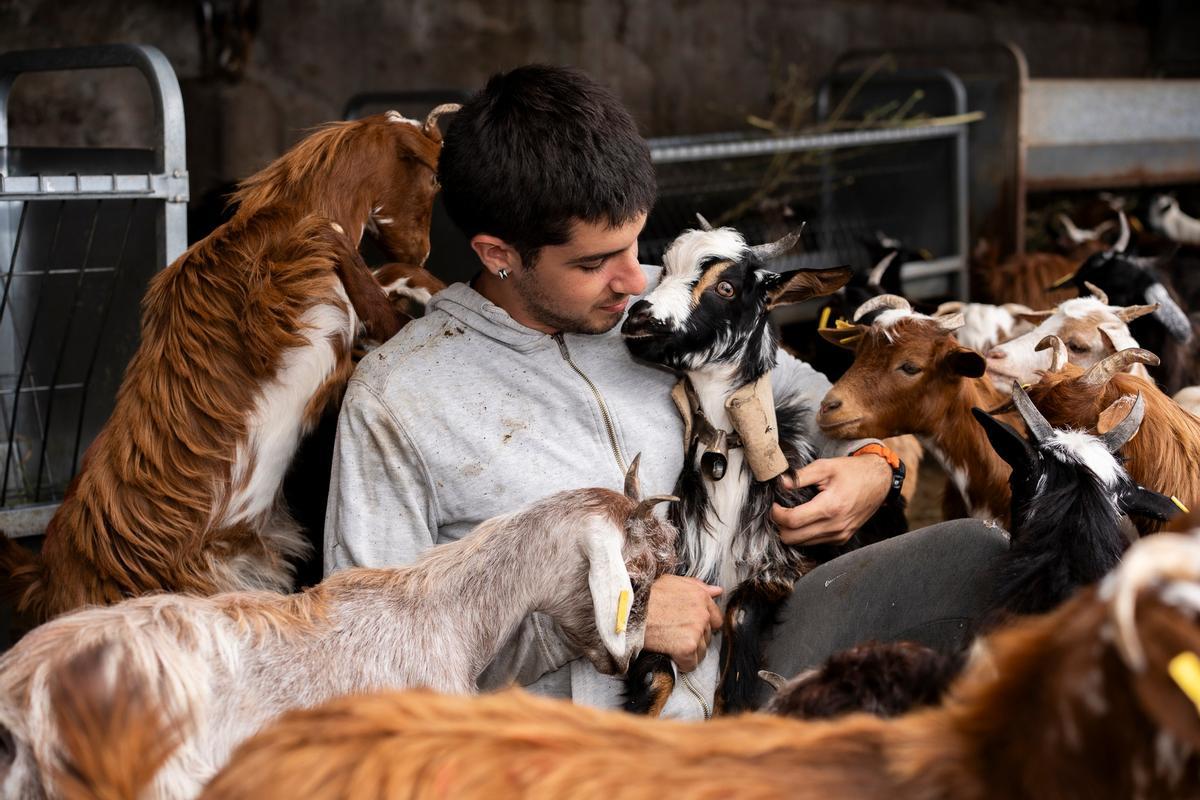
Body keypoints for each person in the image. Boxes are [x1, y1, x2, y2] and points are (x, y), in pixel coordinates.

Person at [324, 64, 1006, 718]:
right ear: (497, 253)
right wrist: (617, 616)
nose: (633, 279)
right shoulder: (400, 401)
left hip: (757, 664)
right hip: (580, 744)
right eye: (593, 262)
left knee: (978, 557)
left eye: (636, 241)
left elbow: (840, 409)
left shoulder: (681, 302)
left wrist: (875, 470)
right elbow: (373, 662)